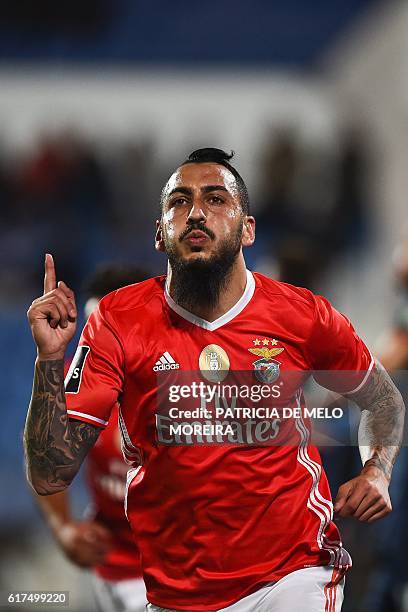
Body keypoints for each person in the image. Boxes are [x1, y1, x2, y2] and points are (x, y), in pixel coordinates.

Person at [24, 148, 405, 612]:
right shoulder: (116, 321)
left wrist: (377, 471)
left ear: (248, 229)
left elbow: (383, 400)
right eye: (179, 201)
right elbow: (50, 472)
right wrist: (49, 359)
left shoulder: (303, 315)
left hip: (293, 576)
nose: (197, 212)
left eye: (217, 199)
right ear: (159, 236)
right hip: (176, 591)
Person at [33, 264, 151, 612]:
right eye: (94, 327)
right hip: (108, 561)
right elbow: (42, 455)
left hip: (179, 568)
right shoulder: (74, 380)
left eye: (112, 328)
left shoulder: (192, 386)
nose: (100, 342)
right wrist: (63, 528)